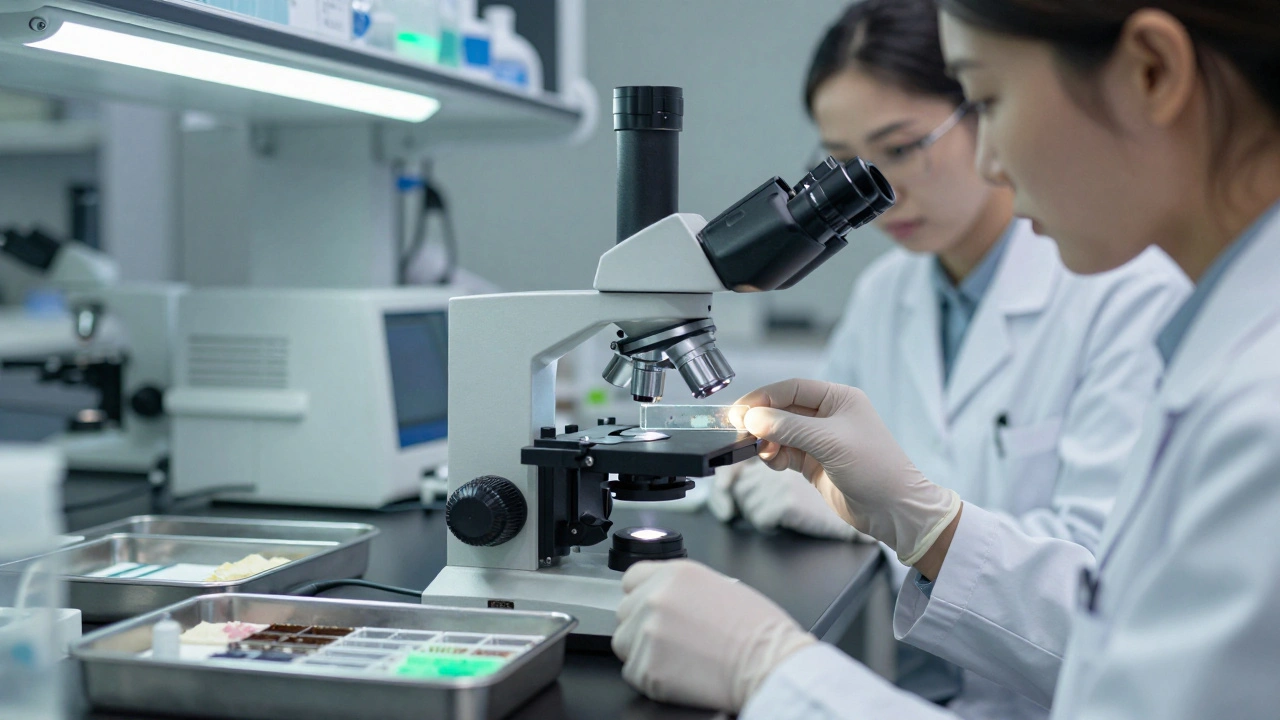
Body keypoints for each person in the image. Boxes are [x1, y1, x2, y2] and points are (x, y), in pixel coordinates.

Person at [613, 1, 1280, 718]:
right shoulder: (1222, 348)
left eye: (988, 100)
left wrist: (772, 673)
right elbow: (1118, 641)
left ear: (1153, 72)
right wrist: (924, 523)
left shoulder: (1256, 412)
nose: (993, 160)